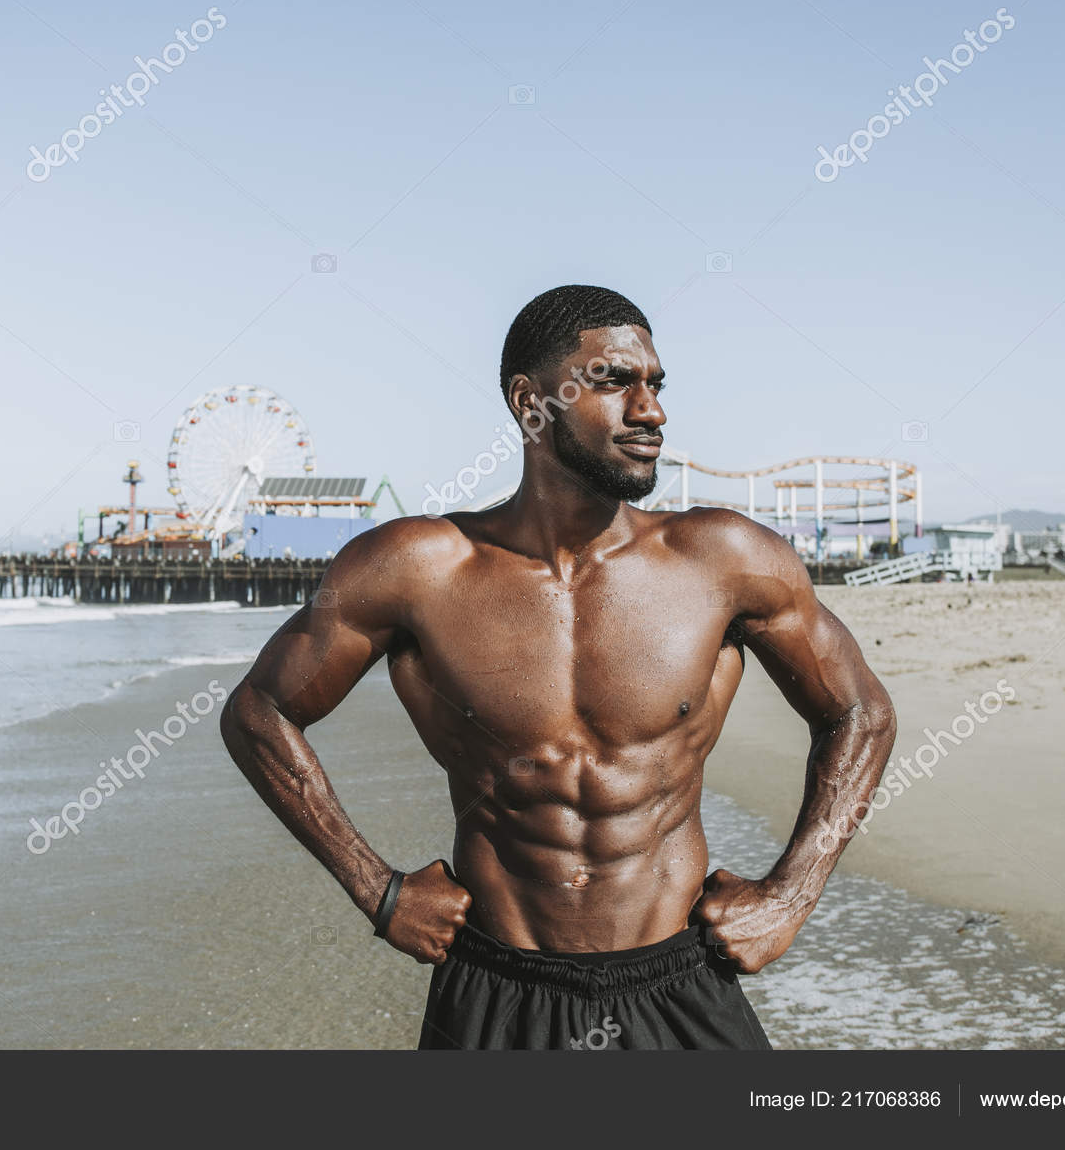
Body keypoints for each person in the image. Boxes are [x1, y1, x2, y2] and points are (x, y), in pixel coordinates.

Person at [220, 285, 897, 1049]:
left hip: (678, 984)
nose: (652, 411)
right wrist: (376, 889)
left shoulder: (724, 559)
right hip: (497, 992)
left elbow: (860, 712)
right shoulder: (417, 569)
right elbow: (259, 711)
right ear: (529, 400)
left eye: (657, 384)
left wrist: (790, 894)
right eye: (614, 381)